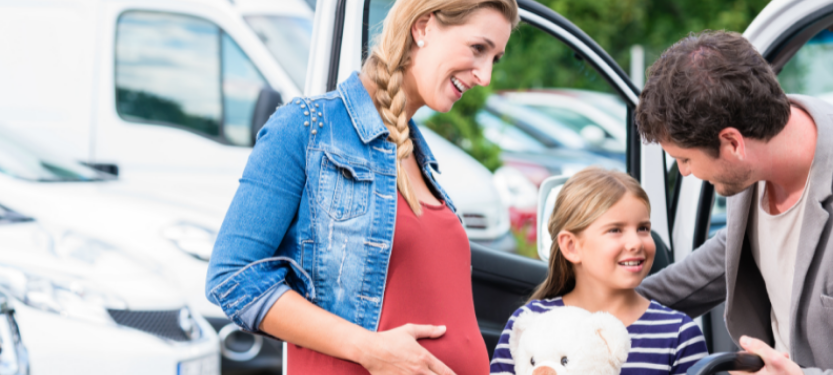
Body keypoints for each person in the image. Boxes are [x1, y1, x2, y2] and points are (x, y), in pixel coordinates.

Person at [204, 0, 518, 374]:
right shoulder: (307, 128)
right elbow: (233, 278)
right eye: (478, 48)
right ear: (423, 27)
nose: (484, 76)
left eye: (494, 59)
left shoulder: (418, 158)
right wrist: (371, 350)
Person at [634, 31, 833, 375]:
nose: (684, 172)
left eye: (685, 159)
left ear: (732, 143)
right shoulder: (762, 142)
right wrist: (603, 308)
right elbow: (736, 247)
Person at [490, 167, 708, 375]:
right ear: (571, 246)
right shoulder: (530, 323)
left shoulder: (678, 334)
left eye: (643, 228)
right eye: (615, 230)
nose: (635, 243)